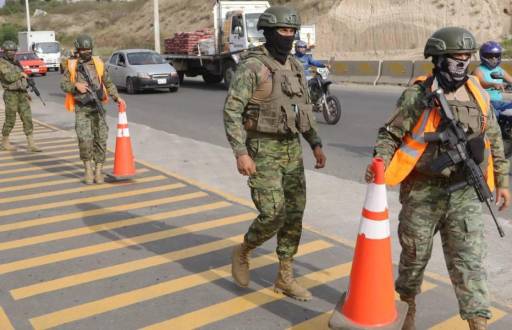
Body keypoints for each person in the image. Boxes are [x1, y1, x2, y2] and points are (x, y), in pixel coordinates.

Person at [366, 27, 510, 330]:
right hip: (423, 190)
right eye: (457, 57)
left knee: (470, 264)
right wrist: (379, 161)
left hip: (465, 194)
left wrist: (503, 182)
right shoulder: (419, 95)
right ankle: (409, 306)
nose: (463, 63)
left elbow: (494, 140)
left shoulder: (478, 94)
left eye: (467, 57)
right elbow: (390, 133)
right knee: (414, 258)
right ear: (440, 58)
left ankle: (478, 323)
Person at [223, 5, 326, 301]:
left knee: (294, 215)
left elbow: (302, 110)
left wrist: (315, 143)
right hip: (262, 149)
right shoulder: (253, 66)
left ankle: (284, 277)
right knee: (273, 213)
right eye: (283, 30)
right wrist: (240, 152)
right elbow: (232, 111)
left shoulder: (294, 66)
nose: (289, 36)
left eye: (293, 31)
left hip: (291, 149)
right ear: (268, 32)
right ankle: (243, 250)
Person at [60, 34, 124, 184]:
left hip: (98, 107)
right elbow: (63, 85)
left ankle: (99, 170)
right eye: (83, 49)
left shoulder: (98, 63)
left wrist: (117, 97)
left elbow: (108, 83)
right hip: (82, 108)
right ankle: (88, 169)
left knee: (101, 139)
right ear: (78, 49)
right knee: (84, 140)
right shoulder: (72, 65)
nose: (86, 51)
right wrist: (75, 85)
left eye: (88, 49)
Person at [0, 40, 41, 152]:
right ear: (4, 51)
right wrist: (20, 74)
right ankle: (4, 142)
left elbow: (22, 79)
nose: (12, 53)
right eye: (9, 51)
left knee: (27, 118)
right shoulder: (2, 63)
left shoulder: (16, 63)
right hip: (11, 94)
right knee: (10, 119)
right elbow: (8, 77)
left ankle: (31, 144)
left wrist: (26, 92)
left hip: (22, 94)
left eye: (14, 51)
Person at [473, 41, 512, 116]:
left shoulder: (499, 70)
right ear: (483, 56)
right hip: (485, 103)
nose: (494, 58)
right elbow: (482, 82)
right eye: (490, 56)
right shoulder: (478, 70)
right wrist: (493, 84)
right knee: (494, 117)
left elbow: (510, 80)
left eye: (496, 55)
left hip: (499, 102)